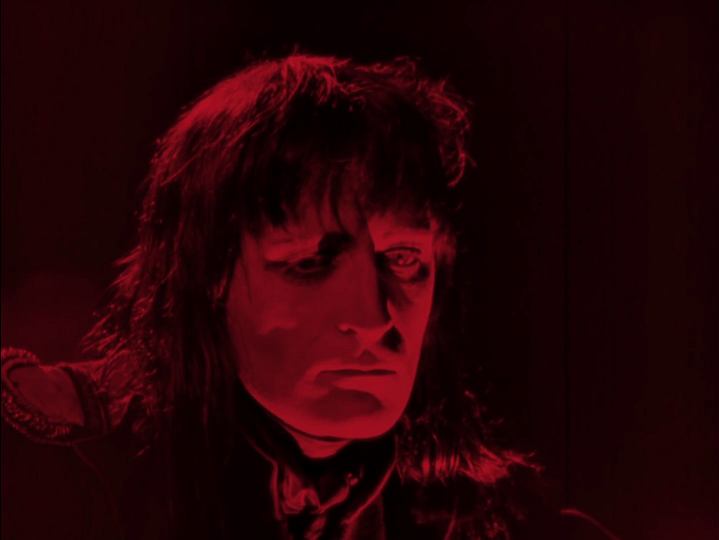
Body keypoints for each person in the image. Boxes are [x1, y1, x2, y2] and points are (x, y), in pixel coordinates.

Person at [1, 53, 615, 540]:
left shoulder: (511, 526)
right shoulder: (52, 483)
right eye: (310, 261)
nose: (374, 318)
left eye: (403, 259)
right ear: (207, 275)